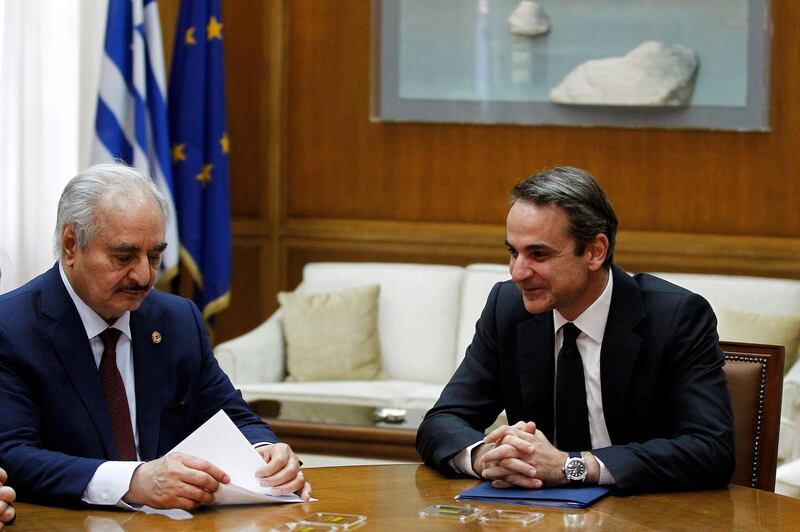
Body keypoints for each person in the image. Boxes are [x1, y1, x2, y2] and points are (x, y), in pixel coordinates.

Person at [0, 162, 311, 509]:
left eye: (154, 255)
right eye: (124, 256)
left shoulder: (177, 320)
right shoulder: (11, 327)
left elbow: (233, 416)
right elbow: (13, 455)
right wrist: (133, 481)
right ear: (71, 244)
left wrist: (264, 453)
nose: (144, 275)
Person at [416, 166, 735, 494]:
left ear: (595, 251)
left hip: (644, 513)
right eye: (513, 252)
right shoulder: (507, 309)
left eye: (538, 254)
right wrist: (486, 456)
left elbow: (710, 451)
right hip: (536, 515)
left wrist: (573, 467)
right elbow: (441, 422)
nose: (518, 272)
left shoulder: (675, 317)